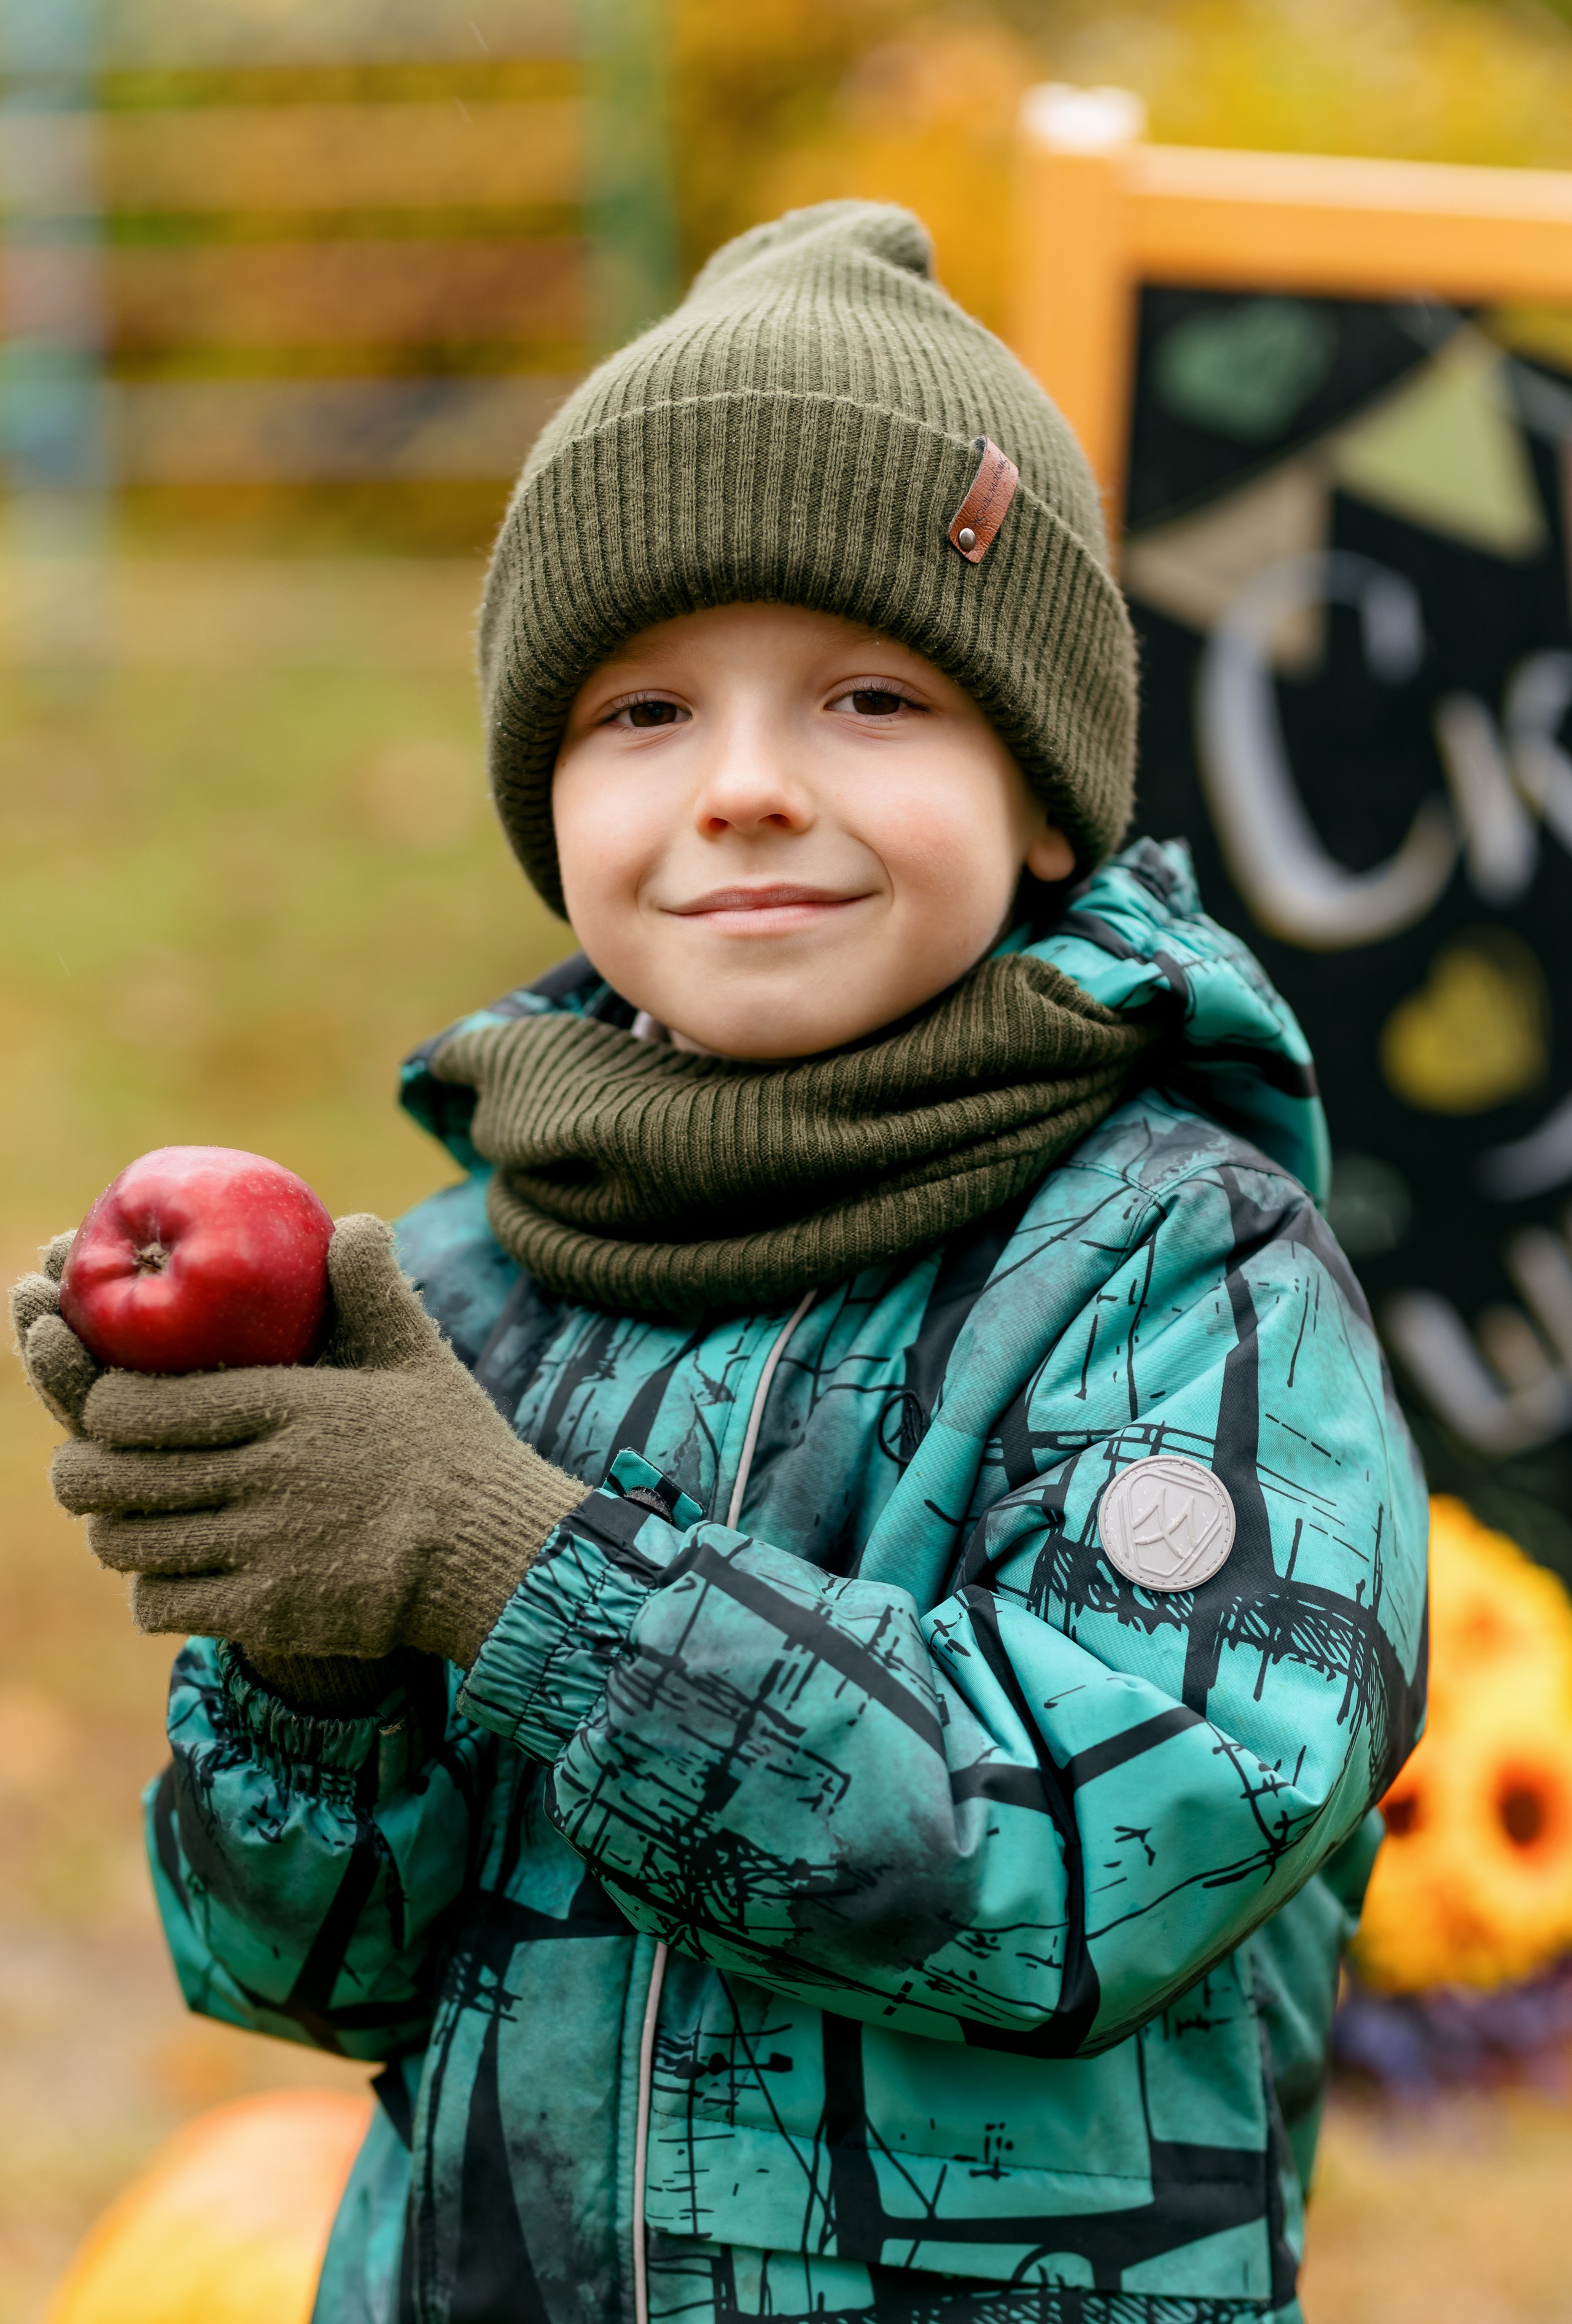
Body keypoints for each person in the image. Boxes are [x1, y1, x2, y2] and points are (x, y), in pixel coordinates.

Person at [10, 203, 1426, 2324]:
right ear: (550, 800)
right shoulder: (465, 1291)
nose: (748, 787)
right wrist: (314, 1665)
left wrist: (515, 1576)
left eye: (870, 696)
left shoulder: (1189, 1281)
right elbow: (292, 1979)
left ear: (1043, 796)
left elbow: (1073, 1874)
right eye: (647, 711)